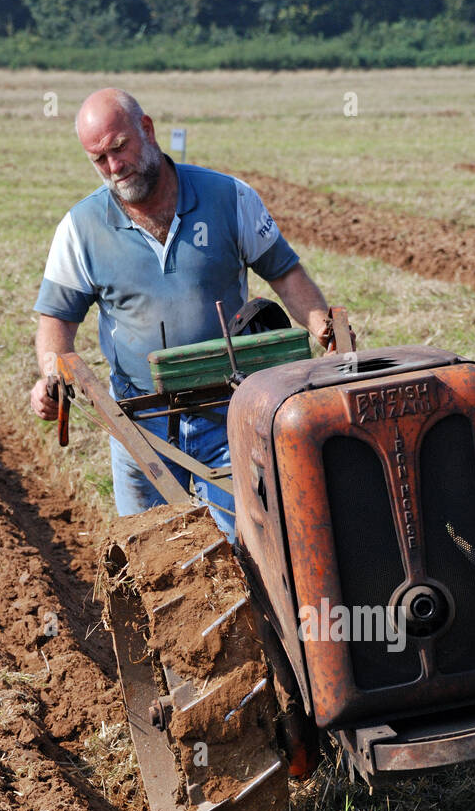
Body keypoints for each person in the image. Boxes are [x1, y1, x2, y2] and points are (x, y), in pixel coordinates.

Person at [30, 87, 342, 538]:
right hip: (141, 421)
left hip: (230, 406)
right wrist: (51, 375)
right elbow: (56, 322)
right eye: (99, 160)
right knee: (153, 553)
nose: (114, 168)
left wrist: (322, 328)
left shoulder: (228, 198)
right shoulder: (81, 229)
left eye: (120, 148)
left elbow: (285, 273)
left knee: (253, 545)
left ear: (148, 129)